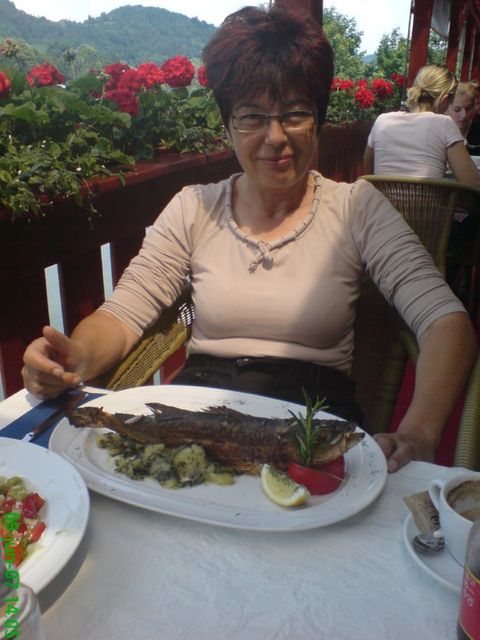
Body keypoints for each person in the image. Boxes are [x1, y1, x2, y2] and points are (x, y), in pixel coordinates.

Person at [22, 6, 476, 473]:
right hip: (198, 425)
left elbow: (445, 321)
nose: (275, 137)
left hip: (312, 436)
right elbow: (122, 315)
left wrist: (419, 432)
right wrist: (75, 358)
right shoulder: (194, 208)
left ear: (318, 120)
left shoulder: (357, 208)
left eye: (294, 114)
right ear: (228, 127)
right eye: (252, 117)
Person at [363, 64, 478, 186]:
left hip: (382, 198)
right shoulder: (445, 123)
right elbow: (471, 181)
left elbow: (369, 173)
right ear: (444, 99)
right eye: (450, 101)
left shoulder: (382, 121)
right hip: (429, 199)